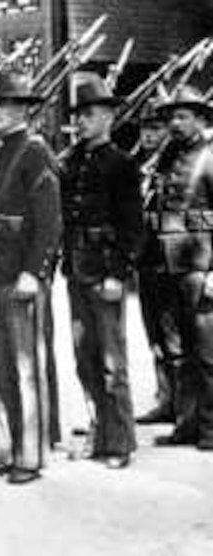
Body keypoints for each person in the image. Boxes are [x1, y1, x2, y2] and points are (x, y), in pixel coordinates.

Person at [0, 69, 62, 485]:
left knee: (26, 367)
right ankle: (3, 447)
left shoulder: (35, 151)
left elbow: (49, 223)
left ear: (25, 110)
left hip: (19, 273)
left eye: (8, 105)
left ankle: (31, 454)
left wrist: (33, 272)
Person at [59, 74, 141, 469]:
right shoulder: (72, 161)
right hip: (77, 269)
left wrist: (118, 274)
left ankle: (121, 442)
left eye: (90, 114)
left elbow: (132, 228)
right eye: (80, 115)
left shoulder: (122, 165)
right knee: (84, 358)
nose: (83, 122)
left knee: (112, 362)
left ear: (108, 117)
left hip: (105, 270)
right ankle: (98, 430)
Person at [139, 86, 213, 450]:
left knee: (206, 352)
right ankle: (186, 424)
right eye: (172, 117)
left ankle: (211, 428)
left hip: (199, 266)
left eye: (183, 116)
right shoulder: (169, 156)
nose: (175, 123)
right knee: (178, 351)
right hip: (168, 266)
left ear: (200, 118)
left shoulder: (210, 156)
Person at [133, 99, 174, 425]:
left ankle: (191, 408)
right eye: (145, 128)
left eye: (155, 128)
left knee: (179, 339)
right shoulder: (141, 166)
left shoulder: (177, 164)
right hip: (146, 262)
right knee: (155, 335)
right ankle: (166, 398)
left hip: (173, 263)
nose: (148, 134)